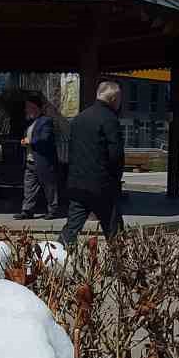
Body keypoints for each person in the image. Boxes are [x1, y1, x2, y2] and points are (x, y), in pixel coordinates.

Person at [60, 80, 126, 248]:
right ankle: (121, 262)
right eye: (120, 99)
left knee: (71, 229)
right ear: (114, 99)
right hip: (103, 186)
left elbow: (71, 151)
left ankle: (56, 256)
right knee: (114, 231)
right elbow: (116, 155)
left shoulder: (79, 118)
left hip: (77, 183)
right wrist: (116, 179)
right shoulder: (110, 120)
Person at [15, 94, 60, 220]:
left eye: (28, 107)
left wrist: (29, 141)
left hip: (44, 161)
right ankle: (27, 211)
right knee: (29, 187)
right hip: (30, 161)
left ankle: (52, 210)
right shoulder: (30, 123)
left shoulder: (46, 121)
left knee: (49, 186)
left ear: (35, 107)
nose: (26, 110)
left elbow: (45, 138)